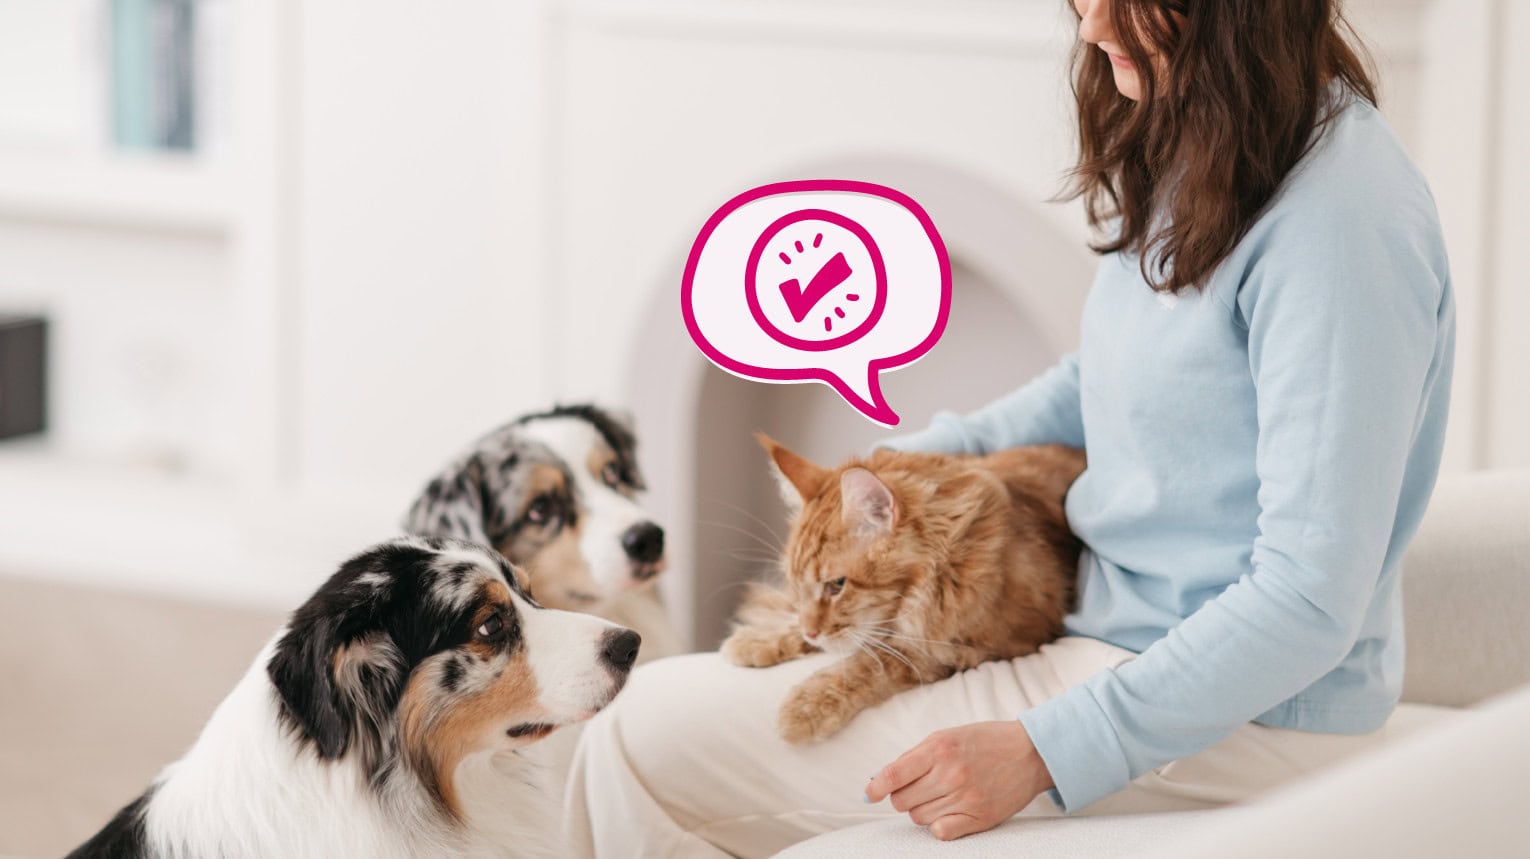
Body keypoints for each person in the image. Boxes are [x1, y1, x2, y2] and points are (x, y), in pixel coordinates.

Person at [564, 0, 1456, 855]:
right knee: (649, 717)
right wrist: (901, 464)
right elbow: (1109, 382)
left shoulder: (1340, 224)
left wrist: (1043, 749)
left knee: (633, 741)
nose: (1093, 22)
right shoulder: (1219, 140)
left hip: (1243, 720)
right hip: (1116, 638)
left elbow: (1307, 600)